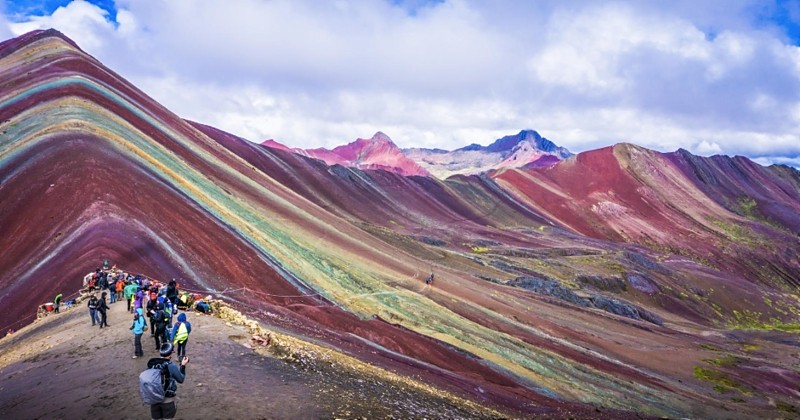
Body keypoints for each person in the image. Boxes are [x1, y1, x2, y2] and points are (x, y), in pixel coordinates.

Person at [147, 342, 188, 420]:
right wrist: (183, 365)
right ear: (171, 353)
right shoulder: (170, 365)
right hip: (167, 400)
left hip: (154, 398)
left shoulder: (152, 364)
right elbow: (181, 379)